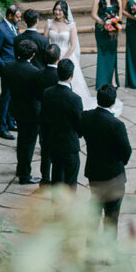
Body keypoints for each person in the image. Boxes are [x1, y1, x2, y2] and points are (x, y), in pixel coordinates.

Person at [80, 84, 132, 232]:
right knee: (112, 216)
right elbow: (126, 151)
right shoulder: (117, 125)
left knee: (95, 209)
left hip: (94, 172)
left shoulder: (86, 116)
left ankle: (91, 246)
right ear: (113, 101)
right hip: (113, 176)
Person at [1, 39, 42, 184]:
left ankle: (20, 168)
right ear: (32, 55)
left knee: (21, 140)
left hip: (16, 108)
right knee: (29, 143)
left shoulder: (8, 66)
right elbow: (38, 94)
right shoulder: (35, 72)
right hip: (32, 111)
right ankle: (25, 175)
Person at [40, 58, 83, 187]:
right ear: (72, 75)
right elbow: (79, 123)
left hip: (53, 141)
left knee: (57, 177)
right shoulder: (75, 99)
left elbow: (44, 118)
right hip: (69, 144)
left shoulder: (47, 93)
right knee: (70, 182)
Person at [0, 5, 21, 139]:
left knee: (13, 98)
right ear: (9, 16)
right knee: (6, 98)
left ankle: (10, 122)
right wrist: (5, 68)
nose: (19, 19)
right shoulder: (0, 30)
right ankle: (2, 128)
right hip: (6, 70)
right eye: (17, 16)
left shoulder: (13, 26)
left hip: (15, 68)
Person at [35, 43, 61, 183]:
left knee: (45, 150)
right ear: (59, 58)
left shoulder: (38, 74)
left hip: (43, 117)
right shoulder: (60, 76)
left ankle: (45, 179)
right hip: (57, 119)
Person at [91, 0, 122, 89]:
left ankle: (113, 80)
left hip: (113, 31)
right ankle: (102, 81)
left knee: (112, 53)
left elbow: (120, 15)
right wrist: (103, 23)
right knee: (103, 54)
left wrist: (115, 25)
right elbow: (94, 14)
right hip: (101, 30)